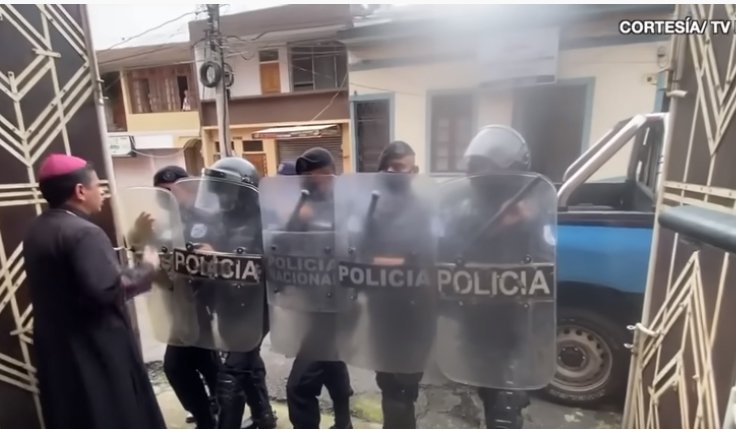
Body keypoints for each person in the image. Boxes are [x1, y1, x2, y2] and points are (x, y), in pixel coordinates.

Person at [23, 153, 166, 429]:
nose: (102, 191)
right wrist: (148, 268)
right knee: (111, 411)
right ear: (79, 191)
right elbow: (105, 289)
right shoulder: (84, 232)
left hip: (57, 345)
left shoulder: (38, 228)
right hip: (95, 346)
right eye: (97, 185)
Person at [439, 125, 542, 429]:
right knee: (486, 390)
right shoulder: (463, 209)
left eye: (487, 168)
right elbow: (448, 252)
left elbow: (545, 267)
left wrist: (525, 224)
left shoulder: (533, 213)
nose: (479, 176)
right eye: (475, 168)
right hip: (475, 321)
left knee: (504, 408)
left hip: (512, 323)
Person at [129, 166, 220, 429]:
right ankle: (211, 415)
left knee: (184, 365)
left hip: (206, 302)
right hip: (177, 304)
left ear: (187, 189)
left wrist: (214, 252)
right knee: (201, 364)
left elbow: (228, 255)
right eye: (161, 192)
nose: (166, 196)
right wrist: (138, 236)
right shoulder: (159, 222)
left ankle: (215, 415)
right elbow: (147, 259)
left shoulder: (206, 219)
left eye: (171, 191)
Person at [192, 157, 277, 429]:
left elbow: (266, 265)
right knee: (247, 362)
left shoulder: (266, 220)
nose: (219, 194)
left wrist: (217, 255)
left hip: (256, 306)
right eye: (216, 188)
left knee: (232, 370)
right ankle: (264, 417)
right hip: (226, 302)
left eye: (225, 188)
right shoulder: (218, 219)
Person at [285, 147, 354, 429]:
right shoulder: (304, 205)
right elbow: (283, 245)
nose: (314, 183)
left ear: (331, 173)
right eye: (308, 179)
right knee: (332, 362)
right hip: (314, 302)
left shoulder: (349, 205)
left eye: (320, 176)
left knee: (299, 385)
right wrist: (299, 219)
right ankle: (344, 422)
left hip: (340, 305)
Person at [368, 141, 426, 429]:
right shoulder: (372, 207)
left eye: (412, 168)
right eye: (399, 168)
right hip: (383, 309)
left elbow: (433, 253)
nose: (408, 174)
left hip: (415, 311)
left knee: (405, 387)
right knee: (389, 384)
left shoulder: (423, 207)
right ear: (384, 170)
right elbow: (356, 254)